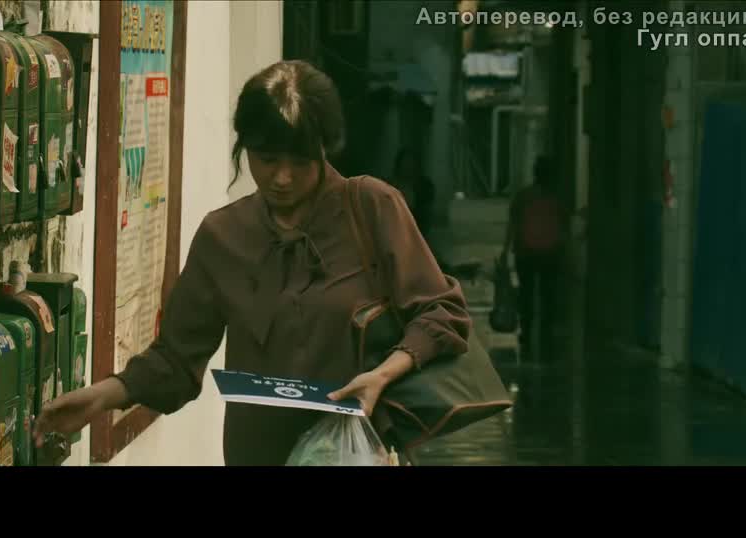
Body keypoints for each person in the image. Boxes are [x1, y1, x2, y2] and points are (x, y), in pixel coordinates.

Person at [32, 60, 471, 466]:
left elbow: (441, 312)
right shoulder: (223, 235)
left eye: (299, 162)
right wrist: (102, 397)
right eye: (266, 159)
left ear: (324, 149)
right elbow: (176, 361)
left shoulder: (372, 208)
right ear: (244, 148)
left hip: (357, 454)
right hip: (258, 455)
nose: (281, 178)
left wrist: (384, 374)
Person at [503, 156, 566, 360]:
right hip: (550, 253)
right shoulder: (557, 198)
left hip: (526, 251)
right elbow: (563, 227)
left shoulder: (523, 196)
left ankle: (527, 331)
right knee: (548, 295)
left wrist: (505, 249)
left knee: (526, 294)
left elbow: (513, 223)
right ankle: (546, 332)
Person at [388, 147, 436, 240]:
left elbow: (425, 214)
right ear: (399, 165)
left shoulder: (425, 186)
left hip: (418, 230)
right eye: (405, 163)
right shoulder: (390, 185)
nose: (408, 167)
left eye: (411, 163)